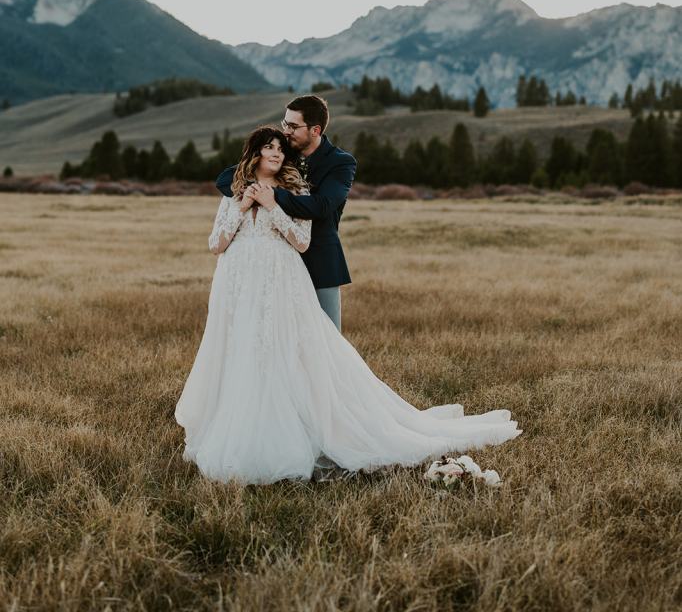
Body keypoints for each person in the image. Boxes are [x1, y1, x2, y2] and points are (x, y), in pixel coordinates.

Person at [175, 125, 522, 486]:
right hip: (238, 284)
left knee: (279, 350)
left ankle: (291, 432)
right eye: (269, 148)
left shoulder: (295, 190)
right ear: (255, 153)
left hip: (279, 282)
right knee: (240, 352)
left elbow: (302, 241)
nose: (277, 153)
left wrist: (272, 205)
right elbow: (216, 243)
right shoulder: (232, 192)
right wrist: (244, 204)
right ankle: (237, 426)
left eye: (281, 148)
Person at [215, 94, 355, 333]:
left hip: (320, 259)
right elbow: (226, 179)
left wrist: (272, 193)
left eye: (292, 126)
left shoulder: (340, 163)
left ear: (315, 130)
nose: (286, 131)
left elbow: (320, 206)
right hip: (277, 263)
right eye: (284, 123)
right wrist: (255, 186)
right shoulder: (282, 153)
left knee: (327, 341)